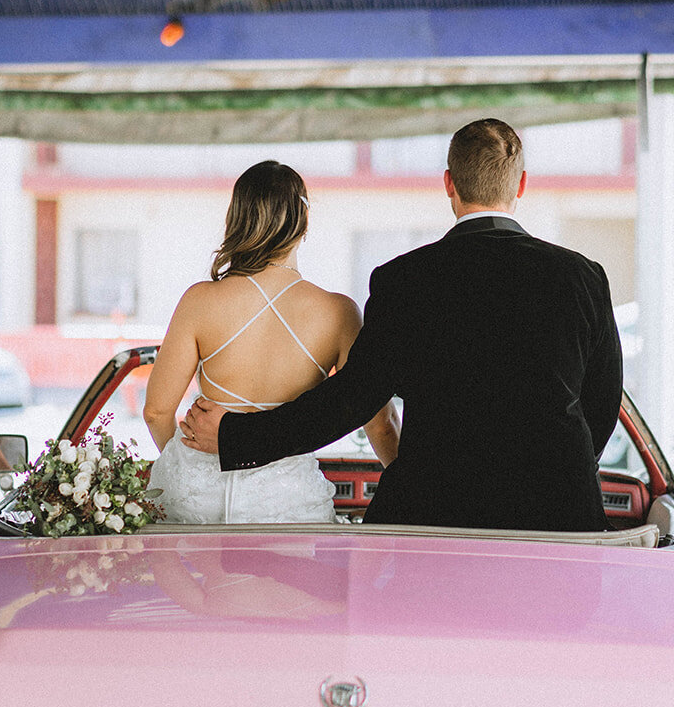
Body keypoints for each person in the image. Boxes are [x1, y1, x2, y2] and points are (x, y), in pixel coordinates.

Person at [184, 119, 623, 532]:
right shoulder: (583, 277)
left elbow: (352, 399)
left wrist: (236, 437)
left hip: (436, 516)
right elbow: (603, 402)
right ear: (521, 185)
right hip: (560, 513)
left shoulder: (404, 279)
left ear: (449, 183)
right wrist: (563, 466)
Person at [144, 160, 400, 524]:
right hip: (286, 500)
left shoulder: (199, 301)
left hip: (195, 497)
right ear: (304, 221)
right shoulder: (339, 312)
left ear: (236, 219)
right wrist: (405, 482)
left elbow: (156, 411)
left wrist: (187, 469)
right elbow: (378, 421)